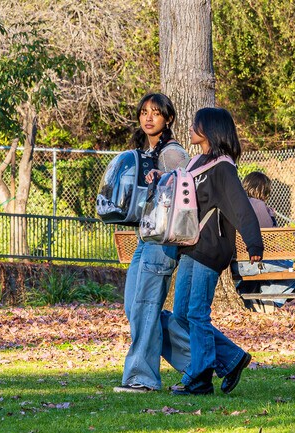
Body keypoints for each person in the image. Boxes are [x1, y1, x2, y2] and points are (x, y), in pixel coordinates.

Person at [171, 107, 263, 395]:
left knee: (197, 312)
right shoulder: (196, 162)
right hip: (190, 246)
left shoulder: (223, 167)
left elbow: (240, 206)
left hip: (211, 247)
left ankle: (199, 379)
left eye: (197, 123)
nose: (192, 126)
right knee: (181, 315)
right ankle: (232, 358)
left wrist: (254, 243)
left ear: (210, 129)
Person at [113, 93, 190, 393]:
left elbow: (185, 196)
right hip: (145, 239)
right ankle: (209, 359)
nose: (148, 118)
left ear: (167, 119)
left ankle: (141, 378)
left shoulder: (171, 154)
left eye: (155, 113)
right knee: (136, 307)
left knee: (144, 308)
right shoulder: (144, 151)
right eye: (144, 112)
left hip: (162, 241)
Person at [233, 172, 295, 312]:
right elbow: (269, 242)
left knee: (278, 268)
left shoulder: (235, 204)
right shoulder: (259, 206)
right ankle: (269, 302)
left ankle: (247, 297)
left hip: (235, 264)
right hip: (255, 263)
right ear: (263, 190)